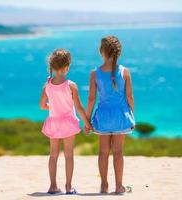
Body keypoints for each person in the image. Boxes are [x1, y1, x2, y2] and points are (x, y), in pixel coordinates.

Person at [86, 36, 135, 194]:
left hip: (103, 118)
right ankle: (119, 186)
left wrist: (87, 120)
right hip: (121, 117)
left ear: (102, 52)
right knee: (119, 152)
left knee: (103, 152)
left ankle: (104, 185)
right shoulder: (125, 72)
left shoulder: (95, 73)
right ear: (118, 53)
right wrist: (131, 116)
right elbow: (130, 97)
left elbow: (92, 99)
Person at [40, 49, 92, 194]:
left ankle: (52, 186)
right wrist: (87, 123)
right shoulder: (71, 85)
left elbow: (42, 105)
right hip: (68, 123)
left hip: (54, 123)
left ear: (53, 66)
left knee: (53, 155)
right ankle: (69, 187)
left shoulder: (47, 85)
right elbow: (79, 107)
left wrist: (53, 106)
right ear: (67, 67)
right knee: (69, 155)